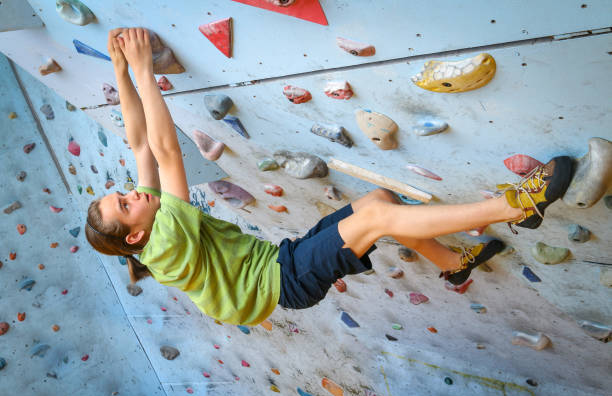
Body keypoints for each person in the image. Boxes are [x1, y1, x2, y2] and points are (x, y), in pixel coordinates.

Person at [86, 28, 573, 326]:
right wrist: (147, 69)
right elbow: (168, 151)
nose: (131, 193)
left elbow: (140, 144)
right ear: (135, 233)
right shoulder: (163, 238)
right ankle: (516, 208)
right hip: (283, 283)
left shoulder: (147, 221)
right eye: (125, 203)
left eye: (122, 192)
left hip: (281, 261)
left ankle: (453, 264)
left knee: (379, 199)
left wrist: (121, 69)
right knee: (377, 219)